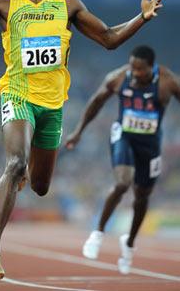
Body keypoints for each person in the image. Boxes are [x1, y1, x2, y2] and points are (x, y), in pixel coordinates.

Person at [0, 0, 164, 280]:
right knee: (15, 163)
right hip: (18, 94)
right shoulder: (5, 2)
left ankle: (22, 174)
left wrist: (141, 18)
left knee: (41, 186)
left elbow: (108, 38)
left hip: (53, 105)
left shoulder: (68, 4)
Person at [65, 45, 180, 274]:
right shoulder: (118, 78)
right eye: (132, 68)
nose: (135, 74)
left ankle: (128, 244)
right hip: (123, 136)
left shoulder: (168, 82)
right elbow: (96, 103)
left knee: (142, 196)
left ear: (152, 68)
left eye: (140, 70)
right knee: (121, 183)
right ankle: (97, 233)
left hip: (150, 144)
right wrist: (78, 131)